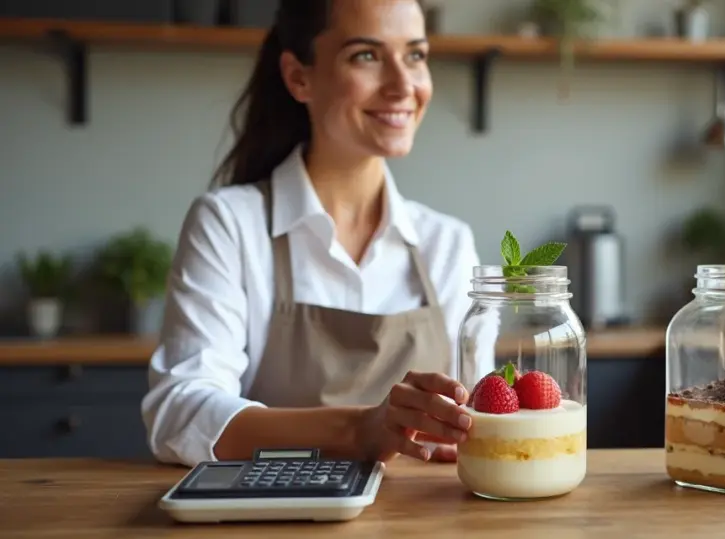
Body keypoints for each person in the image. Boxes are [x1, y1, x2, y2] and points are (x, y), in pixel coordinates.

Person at [141, 0, 482, 468]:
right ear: (298, 77)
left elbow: (479, 418)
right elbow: (181, 414)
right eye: (366, 55)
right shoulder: (229, 225)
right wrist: (360, 430)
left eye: (415, 55)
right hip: (276, 507)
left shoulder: (448, 244)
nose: (404, 85)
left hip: (420, 508)